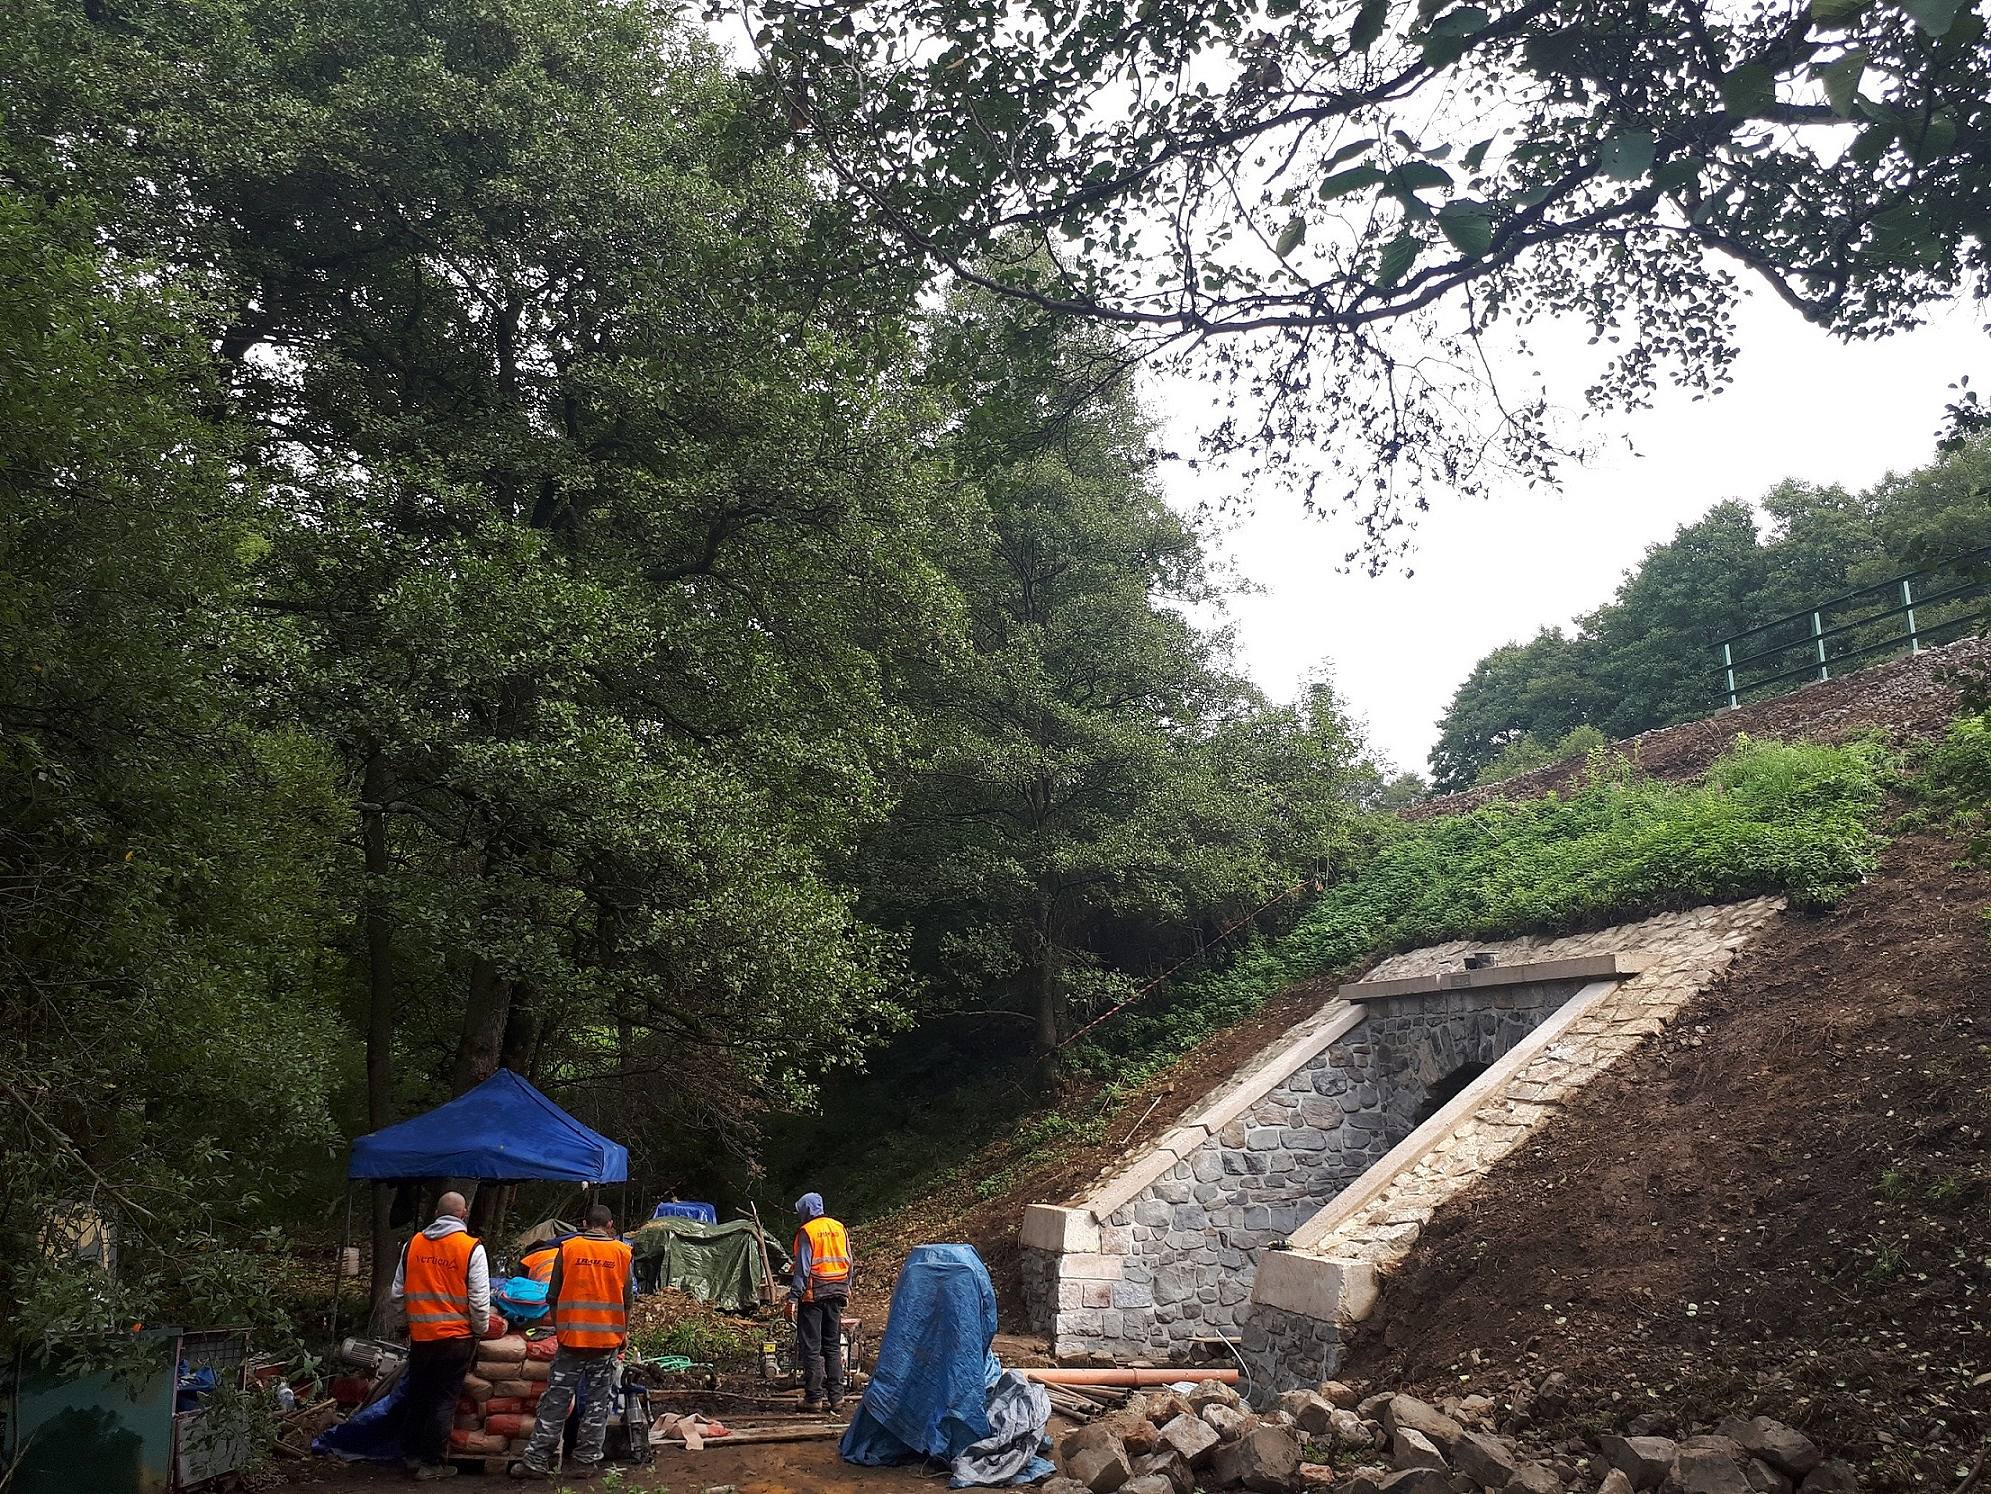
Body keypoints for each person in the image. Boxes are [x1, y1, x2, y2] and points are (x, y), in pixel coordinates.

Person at [512, 1205, 634, 1481]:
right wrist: (622, 1335)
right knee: (597, 1402)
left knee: (556, 1398)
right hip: (606, 1341)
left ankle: (536, 1461)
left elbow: (552, 1296)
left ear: (583, 1223)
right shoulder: (622, 1253)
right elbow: (627, 1301)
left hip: (570, 1341)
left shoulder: (568, 1250)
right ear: (610, 1225)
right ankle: (585, 1461)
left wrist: (561, 1327)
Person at [390, 1191, 491, 1482]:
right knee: (443, 1399)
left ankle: (409, 1455)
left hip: (422, 1338)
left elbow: (397, 1294)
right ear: (464, 1213)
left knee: (418, 1394)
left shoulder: (414, 1244)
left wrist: (406, 1323)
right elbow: (480, 1301)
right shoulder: (471, 1248)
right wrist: (479, 1331)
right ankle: (431, 1463)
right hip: (457, 1340)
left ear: (436, 1212)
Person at [787, 1192, 851, 1414]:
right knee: (832, 1345)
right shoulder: (838, 1227)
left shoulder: (808, 1232)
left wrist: (793, 1297)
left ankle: (814, 1398)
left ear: (806, 1210)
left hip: (813, 1295)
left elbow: (803, 1269)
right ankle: (837, 1399)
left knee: (811, 1347)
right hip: (836, 1293)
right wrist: (846, 1288)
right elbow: (849, 1261)